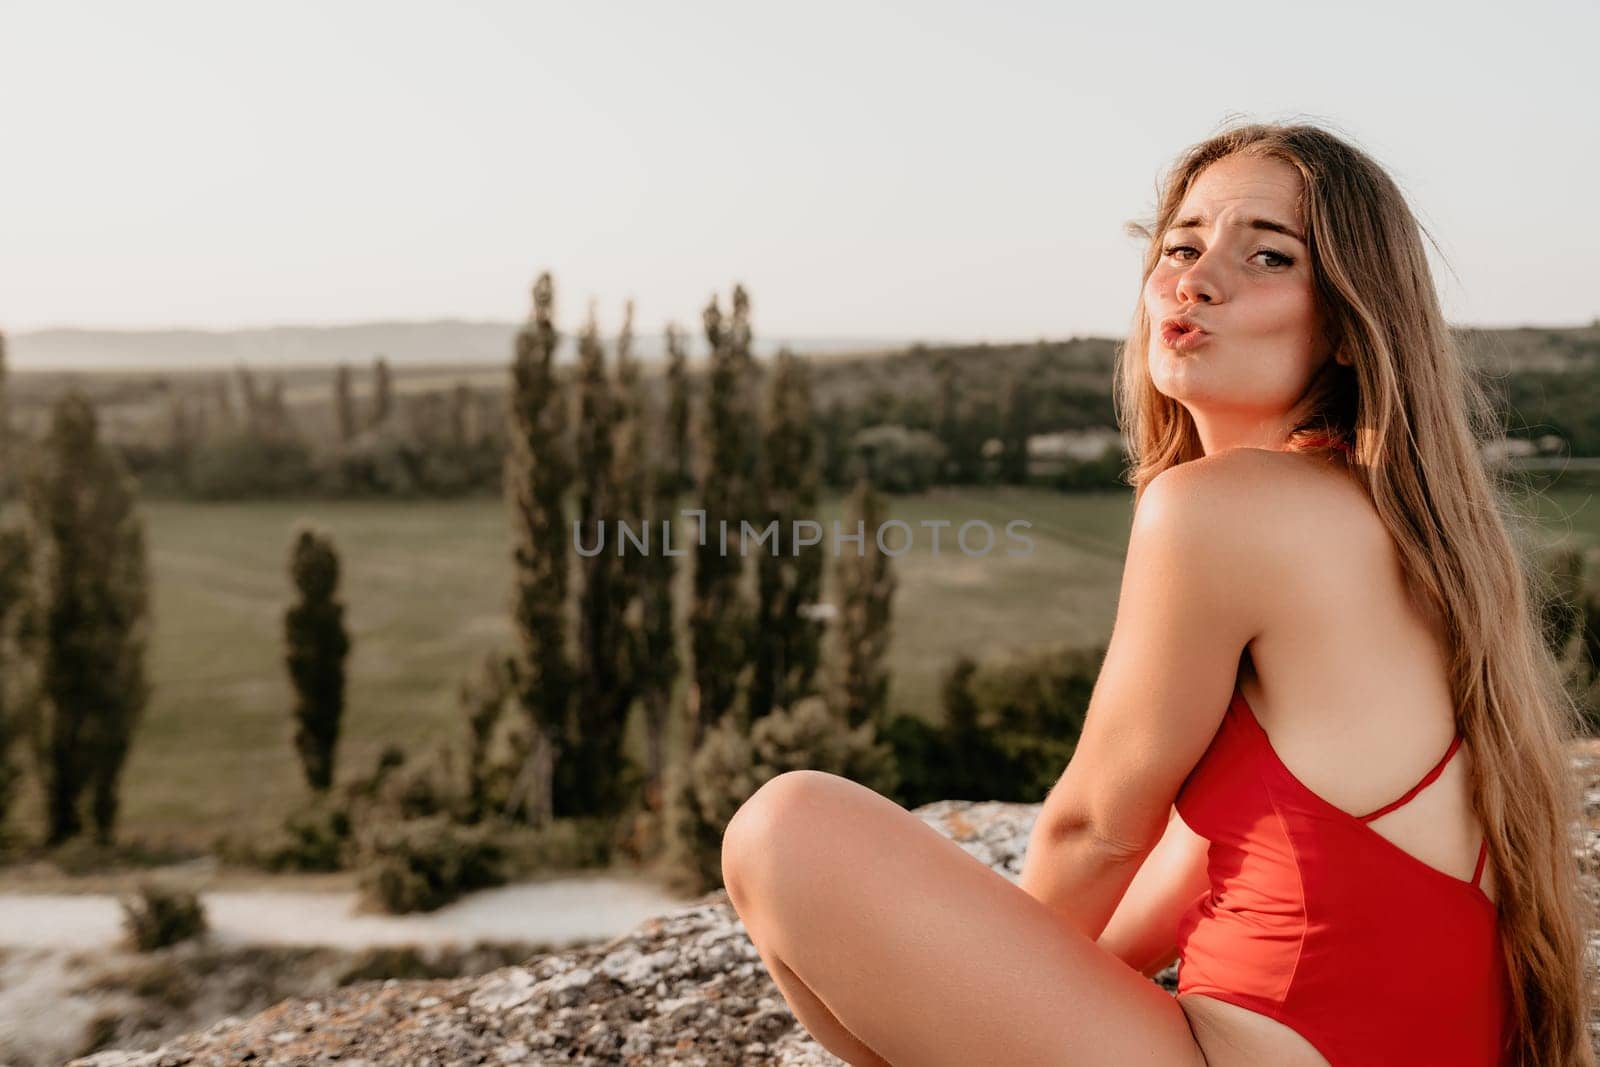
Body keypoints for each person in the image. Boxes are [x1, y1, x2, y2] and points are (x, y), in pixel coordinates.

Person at [720, 119, 1596, 1066]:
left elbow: (1096, 827)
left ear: (1348, 325)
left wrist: (994, 979)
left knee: (785, 827)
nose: (1196, 277)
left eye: (1266, 254)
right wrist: (1004, 984)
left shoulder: (1218, 507)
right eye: (1180, 245)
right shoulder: (1400, 526)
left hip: (1265, 1049)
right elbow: (1190, 861)